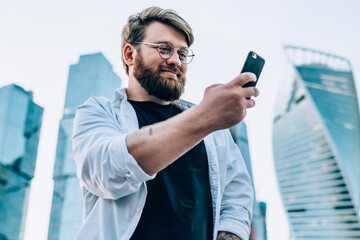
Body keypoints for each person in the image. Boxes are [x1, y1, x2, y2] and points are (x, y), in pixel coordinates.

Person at [72, 6, 258, 240]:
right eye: (164, 49)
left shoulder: (214, 132)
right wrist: (206, 116)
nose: (175, 61)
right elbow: (106, 172)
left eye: (182, 54)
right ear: (130, 55)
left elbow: (236, 197)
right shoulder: (98, 112)